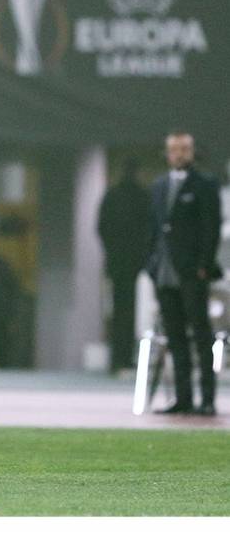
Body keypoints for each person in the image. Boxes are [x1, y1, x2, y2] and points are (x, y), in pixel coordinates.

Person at [147, 132, 222, 416]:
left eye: (184, 149)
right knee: (175, 336)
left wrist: (204, 264)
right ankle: (183, 398)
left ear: (192, 152)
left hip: (192, 272)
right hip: (164, 270)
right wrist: (151, 263)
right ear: (167, 153)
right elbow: (153, 228)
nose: (179, 154)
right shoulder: (159, 186)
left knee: (201, 335)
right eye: (174, 149)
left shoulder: (204, 185)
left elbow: (211, 227)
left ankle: (207, 399)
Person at [97, 158, 151, 374]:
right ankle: (124, 356)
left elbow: (102, 227)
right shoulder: (141, 197)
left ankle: (118, 358)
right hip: (131, 260)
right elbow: (148, 228)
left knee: (119, 310)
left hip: (119, 260)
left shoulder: (113, 196)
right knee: (128, 310)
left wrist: (112, 251)